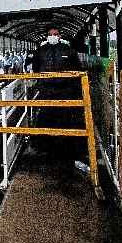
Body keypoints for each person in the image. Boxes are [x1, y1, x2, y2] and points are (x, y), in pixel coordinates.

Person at [31, 26, 83, 158]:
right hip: (46, 90)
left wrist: (74, 89)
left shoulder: (69, 51)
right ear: (46, 37)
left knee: (64, 117)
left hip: (64, 91)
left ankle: (64, 147)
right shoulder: (40, 51)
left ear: (60, 36)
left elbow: (76, 69)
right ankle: (43, 146)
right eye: (50, 34)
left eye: (55, 34)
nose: (53, 36)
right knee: (45, 116)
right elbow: (36, 68)